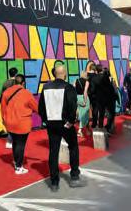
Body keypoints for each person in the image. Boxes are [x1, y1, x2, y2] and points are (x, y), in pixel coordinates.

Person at [38, 63, 81, 192]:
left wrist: (45, 121)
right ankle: (74, 176)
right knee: (73, 146)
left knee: (53, 151)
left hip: (51, 123)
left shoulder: (46, 87)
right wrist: (71, 122)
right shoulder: (68, 87)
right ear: (64, 74)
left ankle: (54, 182)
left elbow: (41, 107)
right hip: (65, 123)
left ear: (55, 74)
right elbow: (72, 106)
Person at [1, 74, 38, 175]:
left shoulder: (6, 92)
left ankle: (15, 161)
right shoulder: (27, 93)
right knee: (21, 145)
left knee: (15, 143)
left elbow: (3, 108)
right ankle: (19, 166)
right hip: (22, 123)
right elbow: (36, 107)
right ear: (23, 83)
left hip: (10, 122)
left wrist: (4, 120)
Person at [1, 68, 18, 149]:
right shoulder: (17, 83)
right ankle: (11, 139)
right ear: (16, 74)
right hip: (16, 105)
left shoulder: (5, 83)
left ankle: (10, 139)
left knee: (9, 122)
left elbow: (2, 96)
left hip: (8, 105)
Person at [74, 71, 90, 137]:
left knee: (81, 114)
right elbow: (85, 91)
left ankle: (88, 130)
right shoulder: (87, 82)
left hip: (77, 98)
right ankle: (80, 131)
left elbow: (73, 89)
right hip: (83, 98)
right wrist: (85, 101)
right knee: (85, 114)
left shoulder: (76, 80)